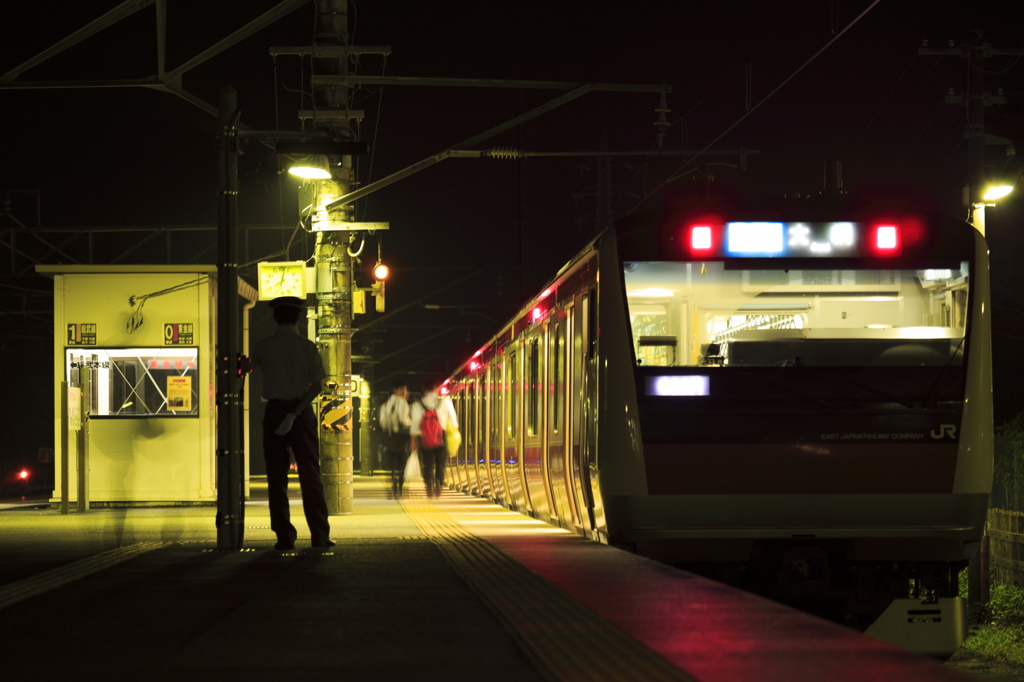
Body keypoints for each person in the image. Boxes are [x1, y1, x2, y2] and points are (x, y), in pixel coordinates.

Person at [251, 296, 334, 550]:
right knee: (310, 474)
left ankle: (284, 536)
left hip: (273, 410)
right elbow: (317, 386)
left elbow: (252, 376)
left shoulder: (263, 347)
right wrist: (296, 412)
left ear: (275, 317)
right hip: (301, 413)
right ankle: (319, 535)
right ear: (299, 318)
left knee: (276, 477)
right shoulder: (307, 347)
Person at [410, 376, 458, 498]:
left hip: (425, 440)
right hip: (442, 438)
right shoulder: (445, 401)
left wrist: (413, 441)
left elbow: (415, 425)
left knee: (428, 465)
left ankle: (429, 482)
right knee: (440, 464)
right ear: (436, 387)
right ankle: (438, 483)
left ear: (423, 388)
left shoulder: (417, 404)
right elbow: (454, 421)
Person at [378, 378, 412, 498]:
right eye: (403, 389)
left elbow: (383, 423)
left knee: (392, 465)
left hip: (389, 438)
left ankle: (393, 486)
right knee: (402, 464)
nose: (405, 392)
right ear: (396, 390)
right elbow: (404, 420)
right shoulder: (403, 403)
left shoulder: (385, 405)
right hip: (401, 438)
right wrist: (411, 423)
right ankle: (400, 488)